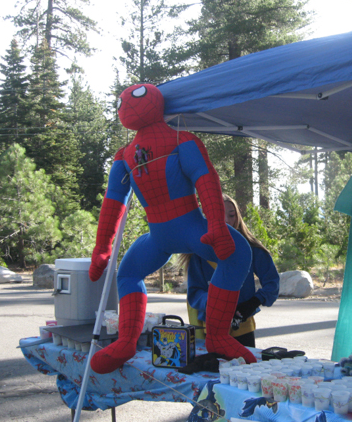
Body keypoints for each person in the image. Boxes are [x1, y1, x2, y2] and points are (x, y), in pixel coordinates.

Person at [88, 84, 255, 374]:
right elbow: (113, 202)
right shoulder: (140, 151)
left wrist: (216, 223)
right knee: (236, 254)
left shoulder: (147, 150)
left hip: (174, 231)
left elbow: (205, 179)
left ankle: (213, 336)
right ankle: (129, 341)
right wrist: (101, 247)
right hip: (178, 231)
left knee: (236, 253)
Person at [184, 194, 279, 348]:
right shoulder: (199, 254)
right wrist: (215, 303)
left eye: (231, 215)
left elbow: (272, 283)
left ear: (238, 218)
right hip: (211, 328)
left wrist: (253, 303)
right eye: (220, 215)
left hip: (243, 329)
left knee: (245, 363)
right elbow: (194, 292)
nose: (227, 221)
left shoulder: (251, 249)